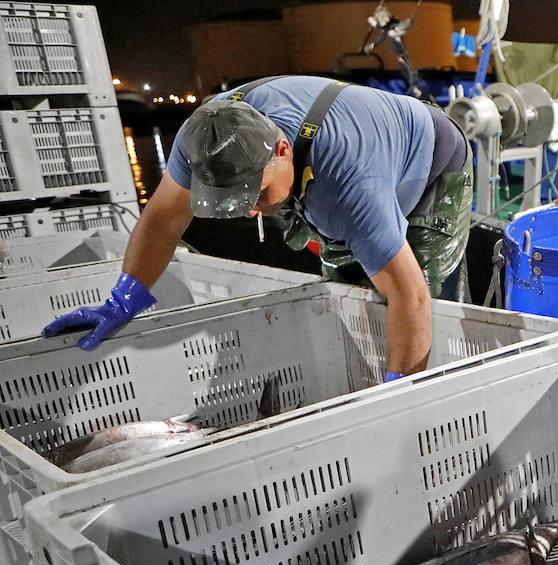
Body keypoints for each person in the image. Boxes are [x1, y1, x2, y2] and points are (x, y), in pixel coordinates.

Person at [42, 75, 474, 381]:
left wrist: (398, 394)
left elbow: (410, 295)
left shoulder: (349, 187)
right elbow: (162, 219)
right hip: (332, 167)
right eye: (234, 201)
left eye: (256, 195)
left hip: (431, 163)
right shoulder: (204, 137)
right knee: (351, 291)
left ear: (283, 150)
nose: (250, 213)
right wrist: (121, 302)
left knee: (421, 297)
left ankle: (430, 393)